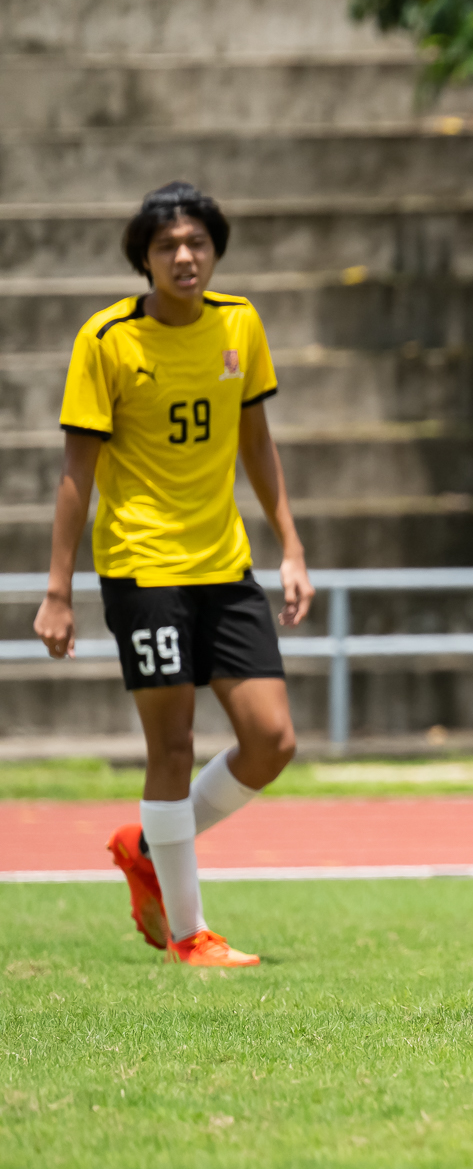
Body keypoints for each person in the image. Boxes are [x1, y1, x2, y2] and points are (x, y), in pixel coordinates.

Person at [33, 182, 313, 968]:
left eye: (196, 242)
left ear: (214, 248)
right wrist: (57, 591)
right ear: (144, 259)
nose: (184, 256)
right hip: (142, 564)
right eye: (167, 246)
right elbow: (75, 473)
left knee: (272, 739)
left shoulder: (239, 323)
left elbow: (257, 442)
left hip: (225, 565)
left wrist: (290, 544)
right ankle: (190, 933)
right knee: (175, 743)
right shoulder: (108, 340)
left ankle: (149, 847)